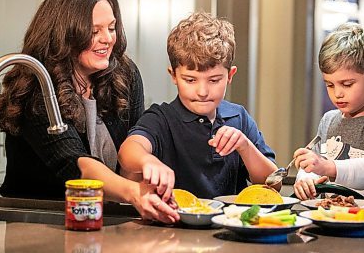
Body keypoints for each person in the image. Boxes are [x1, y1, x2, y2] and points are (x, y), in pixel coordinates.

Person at [0, 0, 179, 224]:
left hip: (105, 218)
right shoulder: (38, 85)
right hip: (41, 220)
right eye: (94, 31)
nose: (108, 39)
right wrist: (135, 194)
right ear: (64, 35)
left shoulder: (125, 74)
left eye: (112, 28)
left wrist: (146, 179)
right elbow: (78, 166)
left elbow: (132, 146)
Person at [117, 11, 278, 201]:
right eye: (190, 80)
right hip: (174, 225)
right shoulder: (161, 118)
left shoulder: (238, 117)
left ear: (230, 76)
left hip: (229, 226)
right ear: (174, 76)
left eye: (214, 80)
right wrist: (147, 161)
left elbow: (273, 182)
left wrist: (245, 146)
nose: (202, 91)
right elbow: (128, 150)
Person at [293, 22, 364, 214]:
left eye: (347, 84)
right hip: (331, 217)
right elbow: (314, 163)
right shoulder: (328, 120)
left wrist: (329, 167)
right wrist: (304, 179)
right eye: (330, 85)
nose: (337, 94)